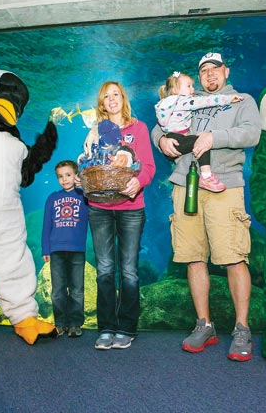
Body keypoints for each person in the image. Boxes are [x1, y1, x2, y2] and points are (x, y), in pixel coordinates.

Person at [151, 52, 261, 361]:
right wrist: (160, 140)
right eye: (203, 71)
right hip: (184, 184)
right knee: (192, 257)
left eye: (215, 69)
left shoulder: (242, 100)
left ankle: (242, 328)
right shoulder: (190, 97)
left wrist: (214, 137)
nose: (210, 74)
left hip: (225, 186)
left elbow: (252, 133)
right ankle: (204, 325)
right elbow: (159, 121)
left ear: (226, 71)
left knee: (234, 257)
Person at [81, 81, 156, 350]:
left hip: (131, 208)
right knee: (104, 270)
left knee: (129, 271)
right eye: (106, 96)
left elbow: (148, 167)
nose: (112, 99)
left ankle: (126, 327)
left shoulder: (139, 128)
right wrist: (81, 179)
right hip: (99, 208)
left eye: (116, 94)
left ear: (123, 98)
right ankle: (106, 327)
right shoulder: (95, 131)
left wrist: (139, 182)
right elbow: (86, 163)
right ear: (101, 103)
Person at [155, 71, 244, 192]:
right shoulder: (183, 101)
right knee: (201, 140)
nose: (192, 89)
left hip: (175, 139)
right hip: (177, 140)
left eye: (192, 86)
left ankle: (205, 176)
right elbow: (206, 101)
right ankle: (206, 176)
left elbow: (162, 124)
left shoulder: (168, 103)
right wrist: (228, 99)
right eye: (188, 86)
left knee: (198, 140)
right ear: (175, 90)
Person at [41, 160, 89, 338]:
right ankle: (60, 323)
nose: (64, 179)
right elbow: (47, 225)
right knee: (58, 291)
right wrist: (45, 249)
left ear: (76, 175)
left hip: (77, 250)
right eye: (60, 176)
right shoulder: (52, 198)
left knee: (77, 290)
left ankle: (75, 323)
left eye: (68, 175)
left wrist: (84, 186)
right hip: (56, 250)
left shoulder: (84, 196)